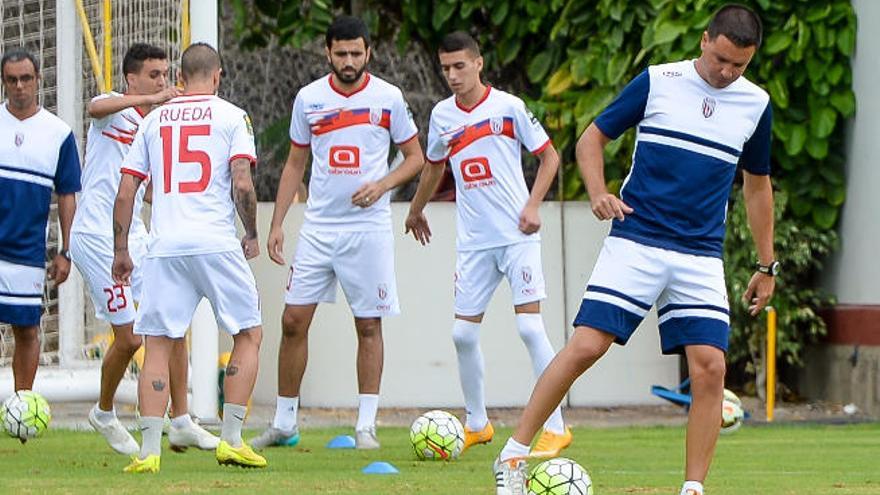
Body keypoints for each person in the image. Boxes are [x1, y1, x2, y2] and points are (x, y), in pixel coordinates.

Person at [494, 5, 776, 495]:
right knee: (587, 346)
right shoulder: (658, 80)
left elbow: (757, 187)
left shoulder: (755, 103)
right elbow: (591, 139)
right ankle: (513, 456)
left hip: (700, 254)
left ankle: (693, 488)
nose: (728, 73)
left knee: (711, 365)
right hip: (638, 239)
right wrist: (598, 191)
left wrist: (766, 264)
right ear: (705, 40)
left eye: (740, 66)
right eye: (722, 60)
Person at [252, 15, 424, 451]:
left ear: (369, 53)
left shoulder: (388, 97)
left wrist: (383, 185)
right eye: (341, 53)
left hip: (367, 230)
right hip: (319, 228)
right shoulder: (309, 98)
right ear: (327, 53)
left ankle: (365, 425)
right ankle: (285, 422)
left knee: (368, 324)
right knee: (293, 322)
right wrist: (277, 223)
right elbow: (295, 163)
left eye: (357, 53)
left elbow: (415, 158)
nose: (349, 61)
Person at [405, 31, 570, 457]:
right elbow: (431, 169)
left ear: (478, 64)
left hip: (518, 237)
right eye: (445, 69)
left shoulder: (509, 107)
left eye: (460, 66)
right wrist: (415, 209)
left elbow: (550, 157)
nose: (452, 75)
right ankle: (477, 423)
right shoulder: (442, 116)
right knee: (462, 334)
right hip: (474, 244)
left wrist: (534, 206)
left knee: (530, 327)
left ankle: (556, 426)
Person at [112, 42, 265, 473]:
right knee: (248, 334)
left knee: (158, 343)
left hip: (164, 246)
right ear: (217, 76)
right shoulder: (233, 116)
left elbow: (127, 192)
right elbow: (242, 182)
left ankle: (148, 452)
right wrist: (250, 232)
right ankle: (231, 440)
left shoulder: (155, 119)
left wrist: (122, 251)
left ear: (180, 77)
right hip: (215, 241)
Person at [70, 43, 217, 456]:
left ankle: (182, 420)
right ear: (131, 79)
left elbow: (148, 188)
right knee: (131, 339)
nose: (163, 83)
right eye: (154, 75)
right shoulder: (115, 111)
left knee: (171, 323)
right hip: (97, 240)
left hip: (137, 237)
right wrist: (152, 98)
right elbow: (95, 105)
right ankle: (103, 412)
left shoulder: (155, 128)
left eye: (165, 75)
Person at [0, 49, 81, 393]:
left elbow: (67, 195)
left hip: (27, 252)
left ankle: (22, 404)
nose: (19, 86)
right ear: (3, 83)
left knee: (27, 330)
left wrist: (66, 250)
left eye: (26, 79)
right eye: (12, 79)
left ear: (38, 80)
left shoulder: (58, 133)